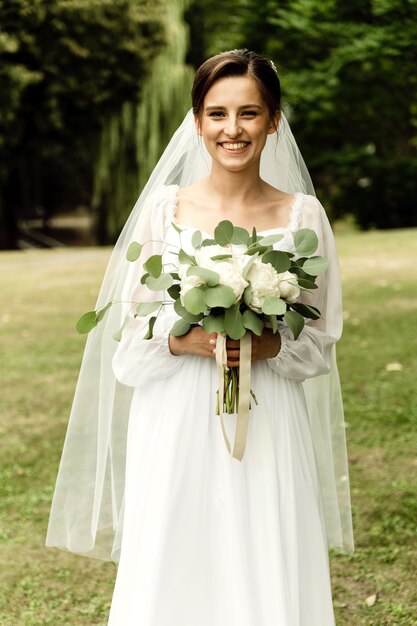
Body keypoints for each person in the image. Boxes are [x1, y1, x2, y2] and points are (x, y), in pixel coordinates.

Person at [46, 49, 353, 626]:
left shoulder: (303, 217)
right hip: (178, 411)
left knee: (263, 538)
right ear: (196, 122)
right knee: (177, 545)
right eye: (217, 114)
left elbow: (319, 337)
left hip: (267, 414)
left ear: (274, 121)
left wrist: (271, 346)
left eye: (249, 114)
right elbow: (130, 339)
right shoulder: (166, 210)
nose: (232, 130)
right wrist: (177, 340)